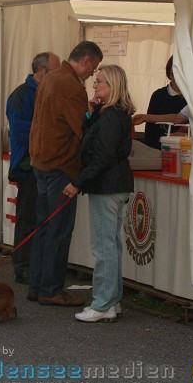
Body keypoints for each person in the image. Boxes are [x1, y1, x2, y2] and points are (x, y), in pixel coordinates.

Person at [27, 40, 103, 307]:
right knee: (58, 232)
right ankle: (51, 289)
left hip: (41, 162)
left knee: (44, 228)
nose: (92, 74)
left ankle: (37, 285)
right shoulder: (71, 86)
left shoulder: (50, 78)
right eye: (93, 69)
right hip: (60, 165)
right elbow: (81, 129)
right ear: (86, 61)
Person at [62, 65, 136, 323]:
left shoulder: (112, 116)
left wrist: (77, 182)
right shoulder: (113, 113)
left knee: (104, 248)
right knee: (111, 246)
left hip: (107, 186)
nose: (95, 85)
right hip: (113, 185)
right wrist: (91, 113)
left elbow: (101, 156)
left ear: (113, 85)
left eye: (100, 82)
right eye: (95, 81)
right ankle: (111, 301)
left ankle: (103, 303)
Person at [6, 51, 60, 284]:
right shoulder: (21, 95)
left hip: (47, 164)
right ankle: (23, 266)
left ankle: (38, 264)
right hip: (28, 166)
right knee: (28, 217)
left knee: (43, 218)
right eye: (55, 71)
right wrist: (53, 134)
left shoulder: (50, 92)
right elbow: (19, 130)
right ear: (42, 71)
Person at [141, 56, 187, 150]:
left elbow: (178, 119)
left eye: (182, 73)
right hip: (163, 151)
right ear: (169, 75)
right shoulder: (159, 96)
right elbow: (151, 133)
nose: (178, 78)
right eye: (174, 74)